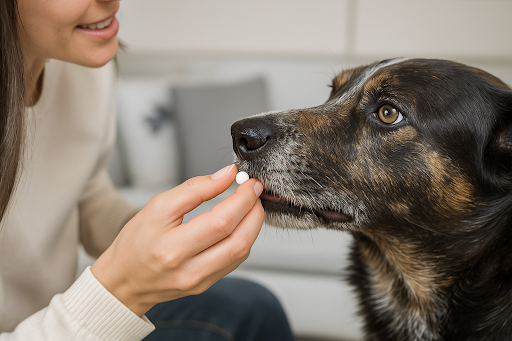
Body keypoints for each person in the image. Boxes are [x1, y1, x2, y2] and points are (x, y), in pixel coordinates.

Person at [0, 0, 296, 340]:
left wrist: (160, 238)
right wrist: (122, 288)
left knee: (252, 308)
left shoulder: (86, 67)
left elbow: (85, 191)